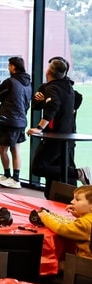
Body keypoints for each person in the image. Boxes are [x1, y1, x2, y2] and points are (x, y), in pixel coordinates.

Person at [28, 58, 90, 195]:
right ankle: (61, 196)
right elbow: (36, 105)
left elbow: (53, 106)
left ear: (48, 71)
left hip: (56, 136)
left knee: (39, 168)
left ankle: (78, 173)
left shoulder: (53, 88)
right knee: (56, 171)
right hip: (65, 135)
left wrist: (39, 127)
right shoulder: (65, 86)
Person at [0, 56, 31, 189]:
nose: (8, 68)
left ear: (13, 67)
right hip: (21, 120)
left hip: (9, 120)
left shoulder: (10, 82)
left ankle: (9, 176)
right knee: (15, 149)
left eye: (9, 65)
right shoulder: (28, 83)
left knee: (2, 148)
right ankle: (14, 177)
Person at [34, 186, 92, 260]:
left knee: (55, 264)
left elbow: (61, 229)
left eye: (77, 200)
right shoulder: (87, 220)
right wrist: (80, 215)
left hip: (85, 264)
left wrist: (45, 217)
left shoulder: (84, 223)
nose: (72, 201)